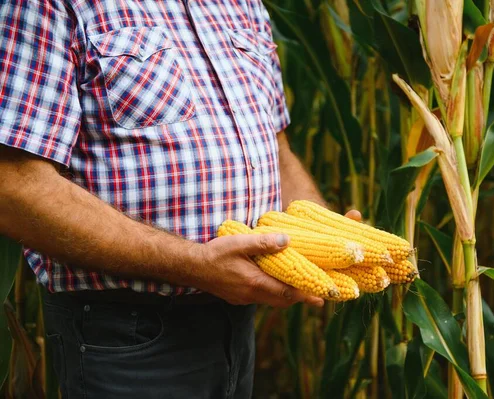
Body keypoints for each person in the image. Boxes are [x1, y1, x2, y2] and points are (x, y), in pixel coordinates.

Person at [0, 0, 359, 397]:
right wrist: (194, 263)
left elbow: (278, 151)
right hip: (126, 334)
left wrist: (322, 229)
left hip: (237, 325)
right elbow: (13, 185)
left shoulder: (242, 5)